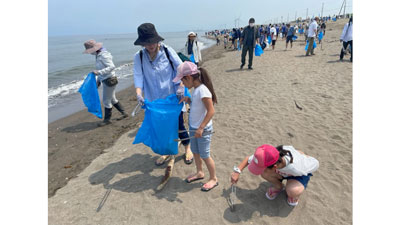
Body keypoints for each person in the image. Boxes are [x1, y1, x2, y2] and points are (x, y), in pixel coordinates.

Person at [133, 23, 194, 167]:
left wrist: (181, 86)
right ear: (142, 43)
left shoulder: (167, 51)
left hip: (172, 97)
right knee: (161, 127)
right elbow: (138, 76)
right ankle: (167, 151)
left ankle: (187, 147)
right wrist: (138, 94)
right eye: (146, 43)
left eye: (152, 41)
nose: (150, 45)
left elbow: (182, 69)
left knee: (178, 124)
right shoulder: (139, 57)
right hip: (154, 100)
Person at [173, 61, 218, 192]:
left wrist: (201, 128)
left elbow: (211, 111)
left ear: (189, 78)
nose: (183, 85)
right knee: (196, 152)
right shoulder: (196, 90)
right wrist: (189, 100)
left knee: (205, 155)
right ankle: (200, 172)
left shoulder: (203, 90)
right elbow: (198, 105)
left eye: (183, 81)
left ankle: (214, 178)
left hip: (202, 130)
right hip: (194, 128)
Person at [230, 144, 319, 206]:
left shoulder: (298, 167)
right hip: (282, 170)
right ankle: (278, 186)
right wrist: (237, 172)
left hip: (297, 174)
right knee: (264, 172)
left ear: (274, 167)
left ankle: (293, 194)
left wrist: (304, 157)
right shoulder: (267, 155)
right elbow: (247, 159)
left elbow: (316, 163)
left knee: (292, 191)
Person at [83, 40, 128, 127]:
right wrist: (98, 80)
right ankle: (124, 113)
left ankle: (107, 120)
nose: (89, 53)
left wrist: (99, 72)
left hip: (109, 80)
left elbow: (112, 67)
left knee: (106, 101)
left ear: (94, 49)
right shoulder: (98, 55)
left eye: (90, 51)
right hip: (106, 79)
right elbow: (102, 68)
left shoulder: (104, 55)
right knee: (112, 99)